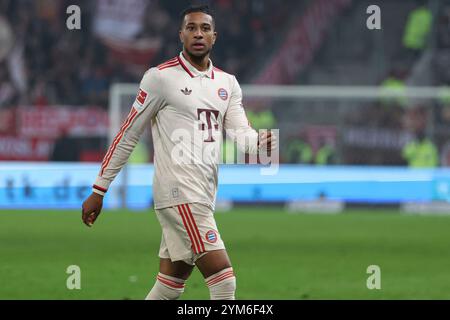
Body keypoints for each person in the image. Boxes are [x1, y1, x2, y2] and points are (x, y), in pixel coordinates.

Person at [81, 5, 276, 300]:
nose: (199, 33)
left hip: (203, 193)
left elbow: (241, 134)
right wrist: (100, 188)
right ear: (181, 34)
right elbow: (128, 133)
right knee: (224, 282)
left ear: (215, 36)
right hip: (179, 193)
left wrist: (259, 143)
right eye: (192, 28)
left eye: (205, 28)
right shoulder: (160, 78)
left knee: (169, 286)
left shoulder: (227, 84)